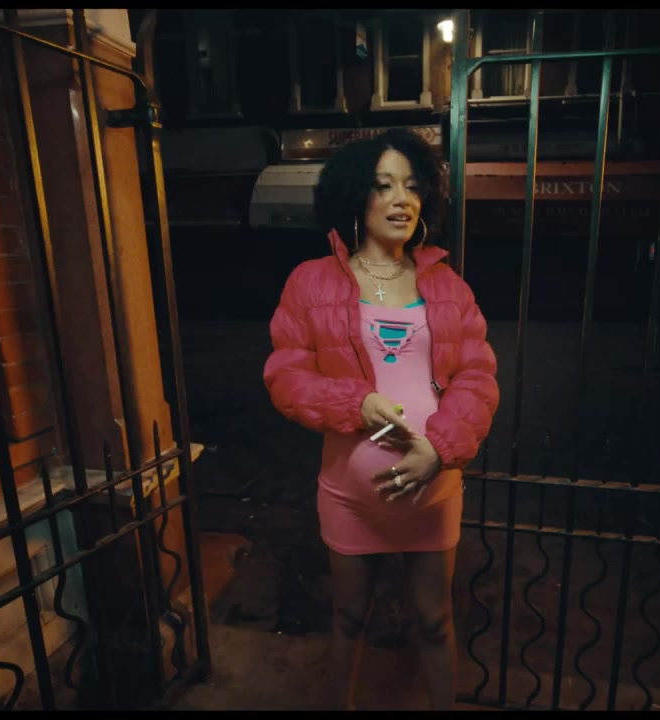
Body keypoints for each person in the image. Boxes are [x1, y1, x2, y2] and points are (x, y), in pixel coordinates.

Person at [263, 128, 499, 710]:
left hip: (433, 491)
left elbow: (477, 379)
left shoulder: (448, 287)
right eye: (384, 185)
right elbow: (286, 375)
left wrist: (439, 449)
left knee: (435, 622)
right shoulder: (311, 282)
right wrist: (356, 402)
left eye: (412, 187)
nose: (401, 200)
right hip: (350, 496)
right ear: (355, 195)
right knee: (348, 620)